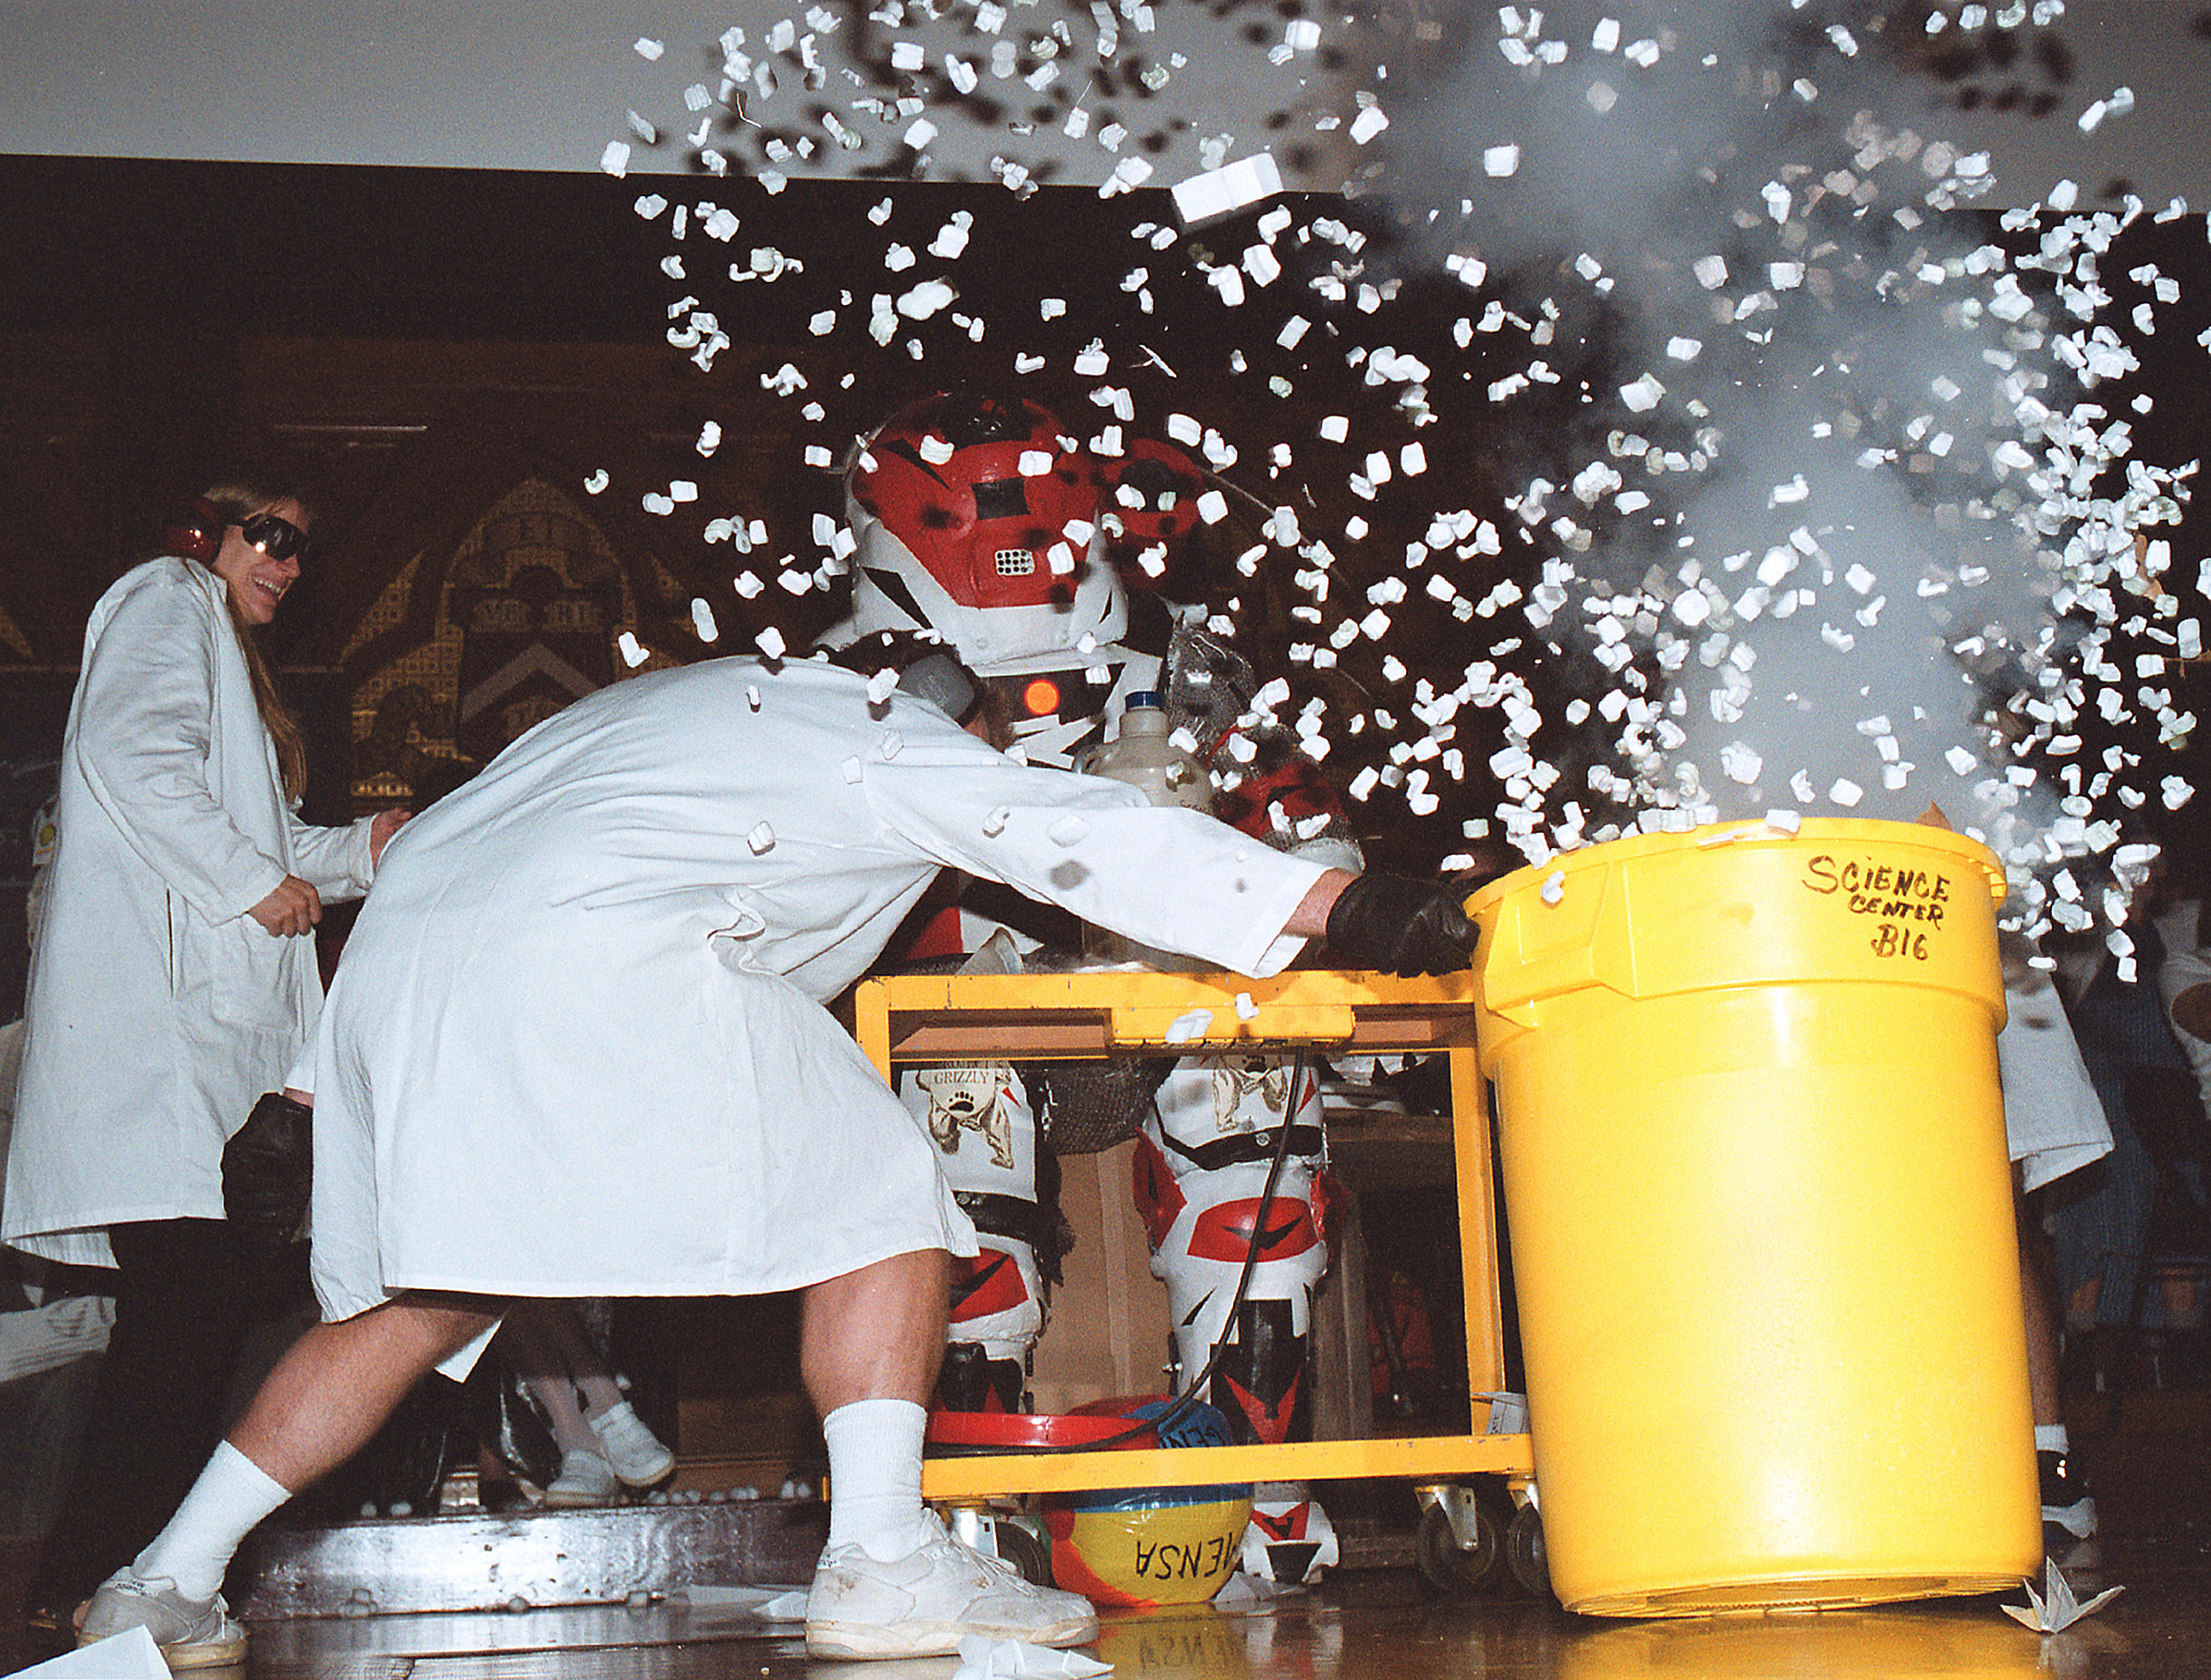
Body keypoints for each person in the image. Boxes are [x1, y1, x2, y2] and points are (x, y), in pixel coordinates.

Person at [74, 647, 1475, 1666]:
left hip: (407, 987)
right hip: (605, 964)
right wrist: (1330, 904)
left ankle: (161, 1581)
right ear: (956, 714)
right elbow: (1064, 830)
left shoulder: (642, 712)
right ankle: (879, 1561)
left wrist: (305, 1096)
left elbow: (452, 859)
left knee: (418, 1297)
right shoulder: (879, 730)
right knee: (891, 1202)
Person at [2, 473, 405, 1630]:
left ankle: (112, 1590)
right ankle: (101, 1592)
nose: (284, 561)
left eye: (298, 547)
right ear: (201, 532)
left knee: (188, 1333)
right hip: (159, 1048)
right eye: (266, 535)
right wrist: (253, 885)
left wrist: (365, 852)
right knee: (183, 1334)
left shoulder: (222, 655)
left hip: (201, 1058)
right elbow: (135, 760)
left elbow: (270, 843)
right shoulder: (167, 594)